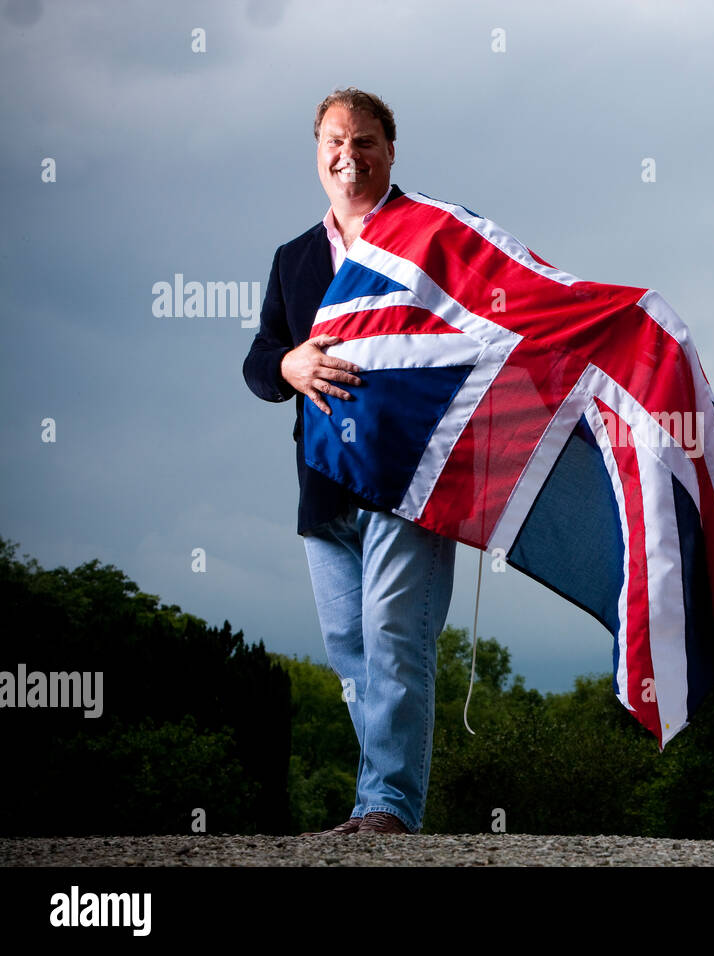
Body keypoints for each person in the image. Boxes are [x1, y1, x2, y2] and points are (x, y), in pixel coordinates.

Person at [242, 87, 455, 836]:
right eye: (335, 141)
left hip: (408, 481)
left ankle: (391, 808)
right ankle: (375, 805)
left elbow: (490, 323)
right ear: (317, 154)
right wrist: (290, 367)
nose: (349, 154)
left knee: (397, 633)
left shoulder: (432, 235)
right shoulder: (294, 258)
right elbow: (258, 361)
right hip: (323, 488)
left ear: (391, 151)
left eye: (365, 141)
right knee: (352, 652)